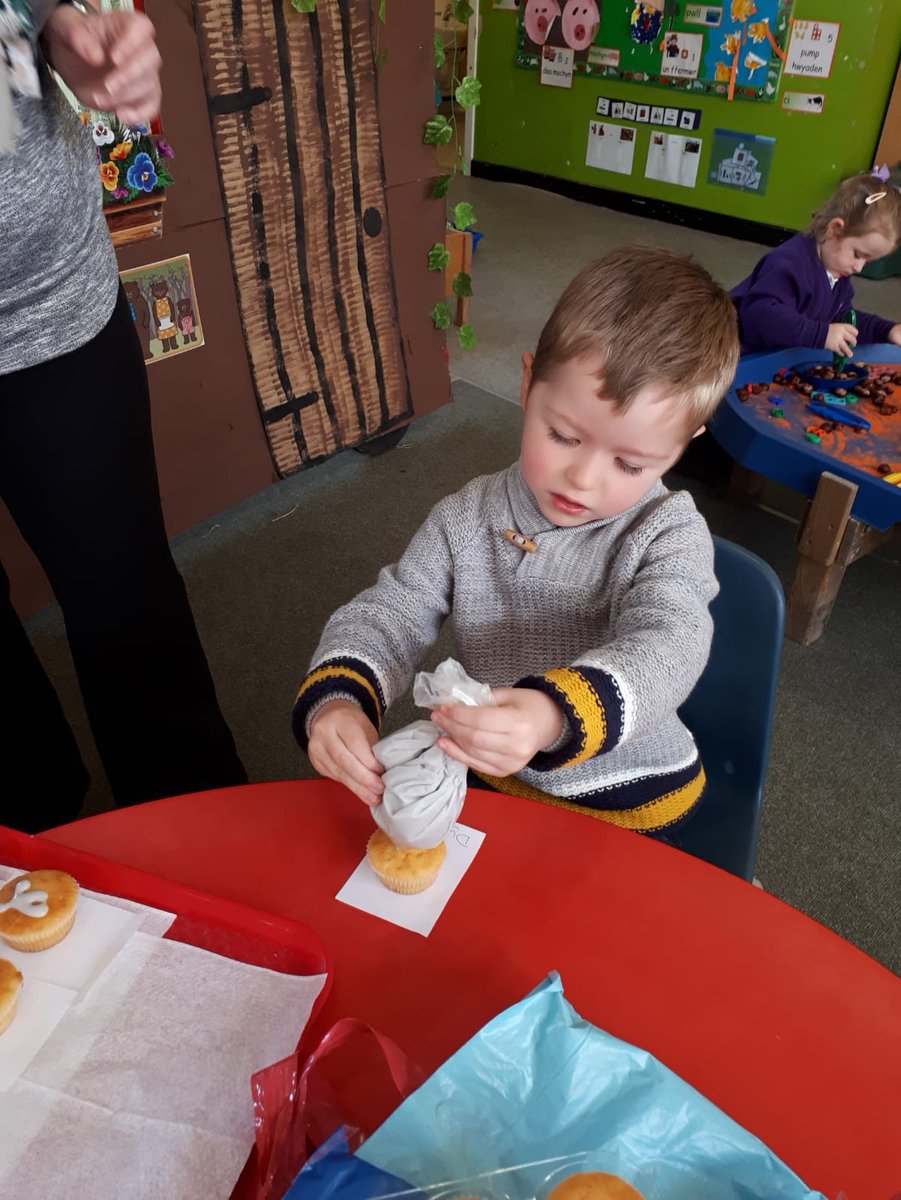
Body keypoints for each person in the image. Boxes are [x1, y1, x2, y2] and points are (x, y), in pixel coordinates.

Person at [293, 246, 740, 837]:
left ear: (684, 445)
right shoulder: (466, 516)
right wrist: (339, 698)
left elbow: (669, 645)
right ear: (528, 383)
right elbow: (393, 611)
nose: (583, 479)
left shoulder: (668, 534)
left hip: (630, 802)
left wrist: (553, 714)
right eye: (562, 435)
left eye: (631, 465)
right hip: (494, 781)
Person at [0, 0, 246, 833]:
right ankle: (31, 835)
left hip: (46, 298)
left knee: (126, 601)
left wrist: (56, 23)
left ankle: (204, 841)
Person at [732, 173, 901, 356]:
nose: (859, 268)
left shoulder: (837, 272)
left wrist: (885, 331)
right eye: (858, 255)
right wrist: (822, 334)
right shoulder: (789, 263)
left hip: (778, 358)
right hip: (736, 358)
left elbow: (842, 320)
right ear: (835, 229)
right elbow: (759, 316)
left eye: (867, 261)